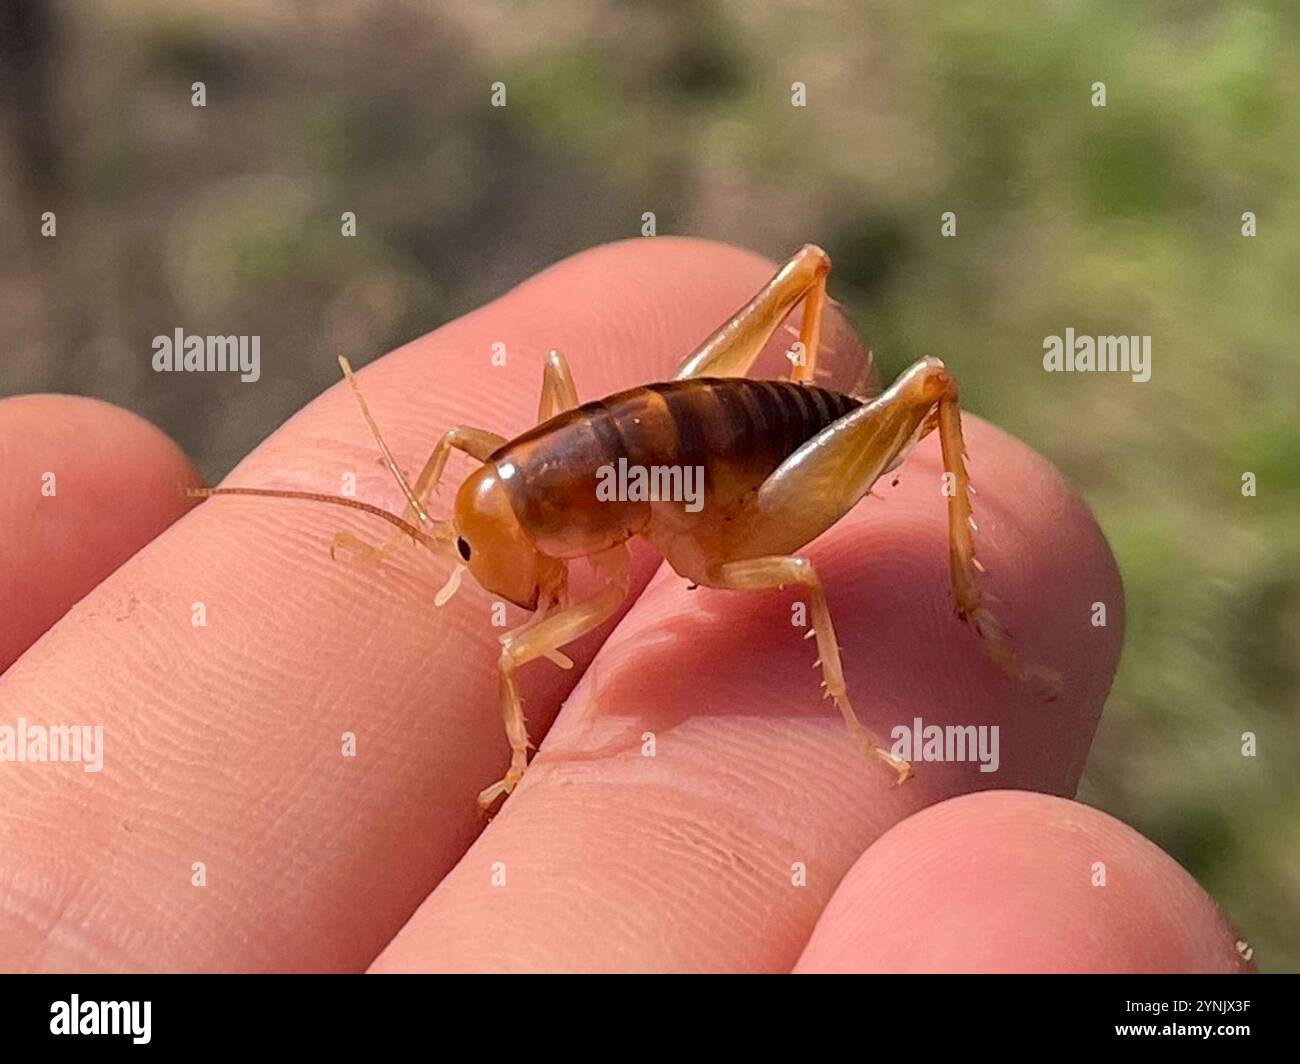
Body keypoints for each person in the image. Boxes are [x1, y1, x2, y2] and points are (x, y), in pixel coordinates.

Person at [0, 239, 1249, 973]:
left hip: (758, 489)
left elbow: (799, 570)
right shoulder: (513, 476)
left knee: (901, 413)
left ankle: (978, 616)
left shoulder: (665, 539)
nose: (493, 576)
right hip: (666, 451)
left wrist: (856, 722)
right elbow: (482, 493)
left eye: (496, 537)